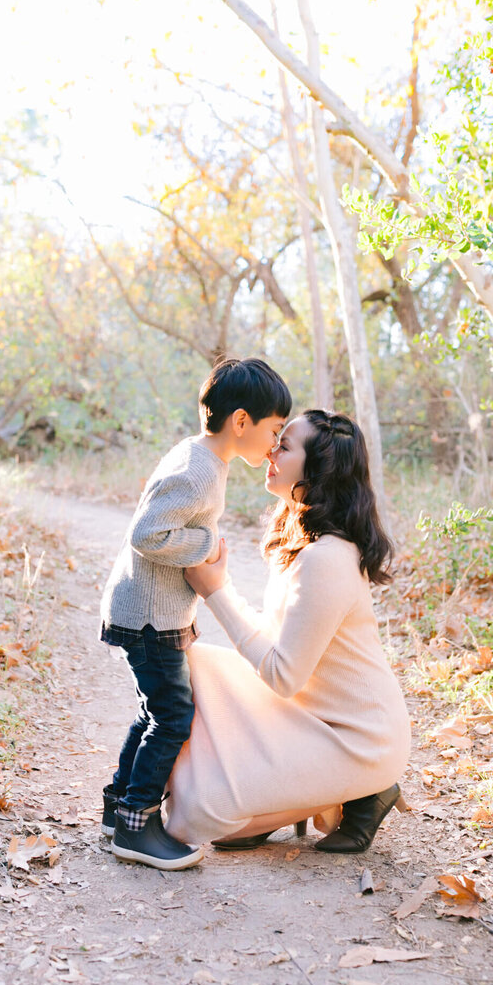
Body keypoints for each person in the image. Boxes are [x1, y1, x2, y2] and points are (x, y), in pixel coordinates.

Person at [167, 409, 411, 853]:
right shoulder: (303, 542)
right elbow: (277, 638)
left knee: (199, 822)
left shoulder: (328, 558)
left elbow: (282, 675)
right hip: (309, 715)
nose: (270, 451)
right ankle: (308, 793)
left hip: (359, 737)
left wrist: (216, 592)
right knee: (197, 664)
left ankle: (360, 791)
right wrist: (214, 591)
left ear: (319, 468)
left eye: (285, 445)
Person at [99, 357, 291, 870]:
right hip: (146, 617)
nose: (276, 444)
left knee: (154, 711)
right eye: (274, 430)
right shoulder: (198, 469)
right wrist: (207, 544)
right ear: (242, 421)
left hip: (154, 613)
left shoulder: (204, 460)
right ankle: (136, 824)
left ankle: (118, 806)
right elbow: (147, 535)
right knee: (172, 717)